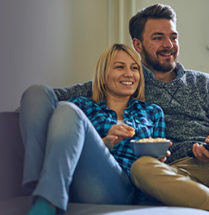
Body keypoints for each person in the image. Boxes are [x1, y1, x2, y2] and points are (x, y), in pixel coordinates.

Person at [20, 3, 209, 215]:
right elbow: (49, 98)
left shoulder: (204, 83)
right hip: (170, 170)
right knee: (143, 167)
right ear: (138, 44)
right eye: (158, 38)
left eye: (173, 37)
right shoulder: (128, 81)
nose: (169, 44)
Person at [20, 43, 166, 215]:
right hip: (74, 178)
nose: (129, 74)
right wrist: (105, 142)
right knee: (37, 92)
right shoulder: (83, 106)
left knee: (68, 110)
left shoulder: (152, 112)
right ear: (103, 75)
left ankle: (46, 200)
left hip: (122, 188)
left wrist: (159, 159)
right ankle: (41, 189)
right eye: (120, 67)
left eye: (135, 68)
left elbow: (158, 156)